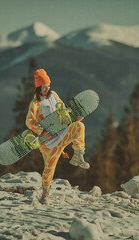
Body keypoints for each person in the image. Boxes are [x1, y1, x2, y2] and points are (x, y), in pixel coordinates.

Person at [26, 68, 90, 204]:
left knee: (79, 127)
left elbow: (62, 110)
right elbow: (29, 121)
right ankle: (45, 195)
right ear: (38, 88)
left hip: (62, 132)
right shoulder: (35, 104)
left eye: (48, 86)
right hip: (48, 142)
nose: (47, 89)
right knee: (49, 168)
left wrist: (73, 117)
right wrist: (42, 133)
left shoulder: (53, 94)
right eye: (44, 87)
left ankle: (78, 155)